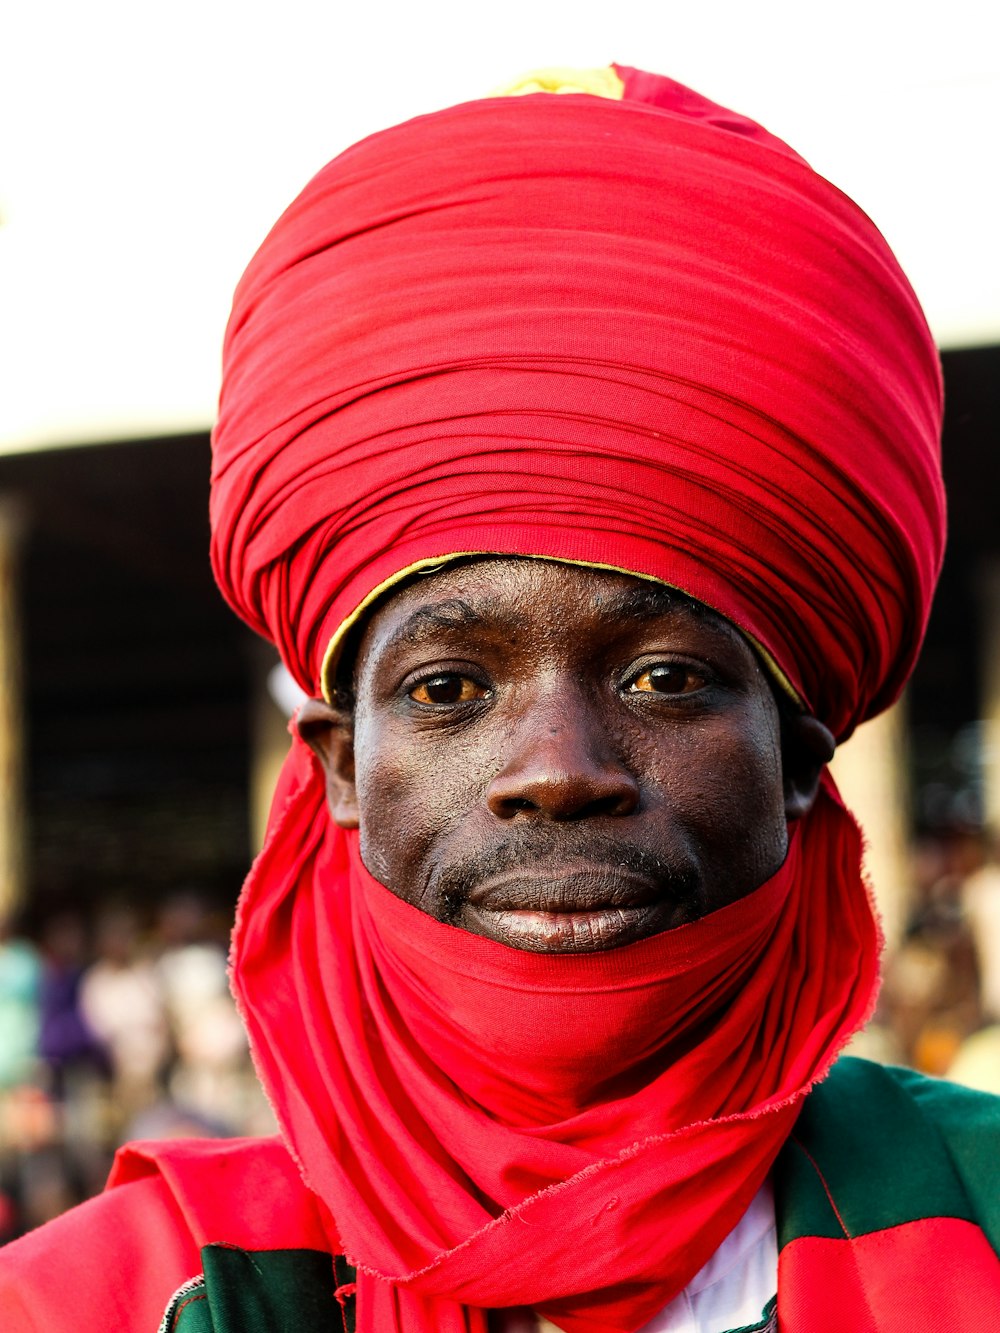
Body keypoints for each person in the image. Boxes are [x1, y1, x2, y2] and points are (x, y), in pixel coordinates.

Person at [2, 63, 999, 1332]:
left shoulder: (977, 1213)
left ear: (802, 755)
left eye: (664, 676)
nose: (556, 768)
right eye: (449, 686)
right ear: (341, 767)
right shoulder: (109, 1300)